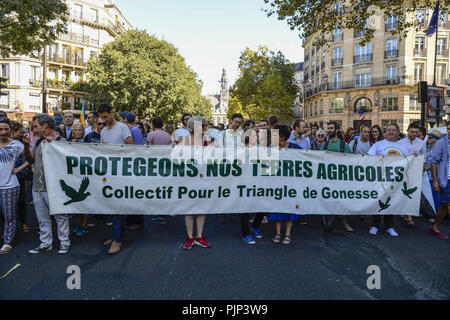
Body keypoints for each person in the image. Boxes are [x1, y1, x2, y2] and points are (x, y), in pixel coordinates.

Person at [23, 114, 70, 254]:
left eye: (36, 126)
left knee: (60, 216)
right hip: (38, 186)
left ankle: (64, 243)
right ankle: (45, 243)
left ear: (45, 125)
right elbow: (31, 159)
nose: (34, 129)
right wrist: (26, 146)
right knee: (42, 218)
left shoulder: (62, 141)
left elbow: (66, 160)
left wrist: (52, 144)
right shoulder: (38, 142)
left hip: (55, 187)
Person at [98, 103, 134, 254]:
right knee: (113, 205)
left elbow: (132, 148)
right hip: (109, 173)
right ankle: (118, 235)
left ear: (112, 113)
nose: (103, 120)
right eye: (101, 117)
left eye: (106, 116)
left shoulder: (123, 127)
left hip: (121, 172)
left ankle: (117, 239)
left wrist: (113, 150)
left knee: (117, 206)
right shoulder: (103, 132)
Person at [367, 123, 410, 237]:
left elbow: (409, 162)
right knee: (378, 202)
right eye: (389, 130)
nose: (391, 132)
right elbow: (369, 158)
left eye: (393, 130)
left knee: (391, 203)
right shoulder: (378, 145)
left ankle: (389, 226)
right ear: (386, 132)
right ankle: (374, 225)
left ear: (398, 132)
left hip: (394, 181)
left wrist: (415, 157)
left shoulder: (403, 147)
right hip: (379, 179)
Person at [178, 116, 211, 250]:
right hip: (188, 179)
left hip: (203, 179)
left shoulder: (206, 141)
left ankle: (199, 236)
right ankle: (190, 237)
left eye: (204, 126)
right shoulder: (184, 140)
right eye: (201, 126)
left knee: (202, 208)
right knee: (189, 210)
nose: (203, 128)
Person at [268, 124, 301, 245]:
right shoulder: (270, 148)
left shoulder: (295, 148)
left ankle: (288, 234)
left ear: (282, 137)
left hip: (291, 185)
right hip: (276, 184)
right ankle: (278, 233)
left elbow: (309, 157)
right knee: (277, 208)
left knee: (290, 209)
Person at [0, 117, 29, 254]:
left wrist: (18, 169)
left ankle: (7, 242)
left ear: (10, 130)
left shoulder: (17, 144)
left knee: (9, 216)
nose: (4, 132)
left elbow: (30, 158)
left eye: (6, 129)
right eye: (1, 129)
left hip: (10, 185)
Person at [321, 121, 354, 232]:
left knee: (342, 200)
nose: (329, 130)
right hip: (328, 179)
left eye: (331, 128)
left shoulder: (343, 145)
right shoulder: (324, 145)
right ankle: (328, 218)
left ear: (336, 130)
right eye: (328, 128)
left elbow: (350, 161)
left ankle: (344, 221)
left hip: (340, 179)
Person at [217, 113, 244, 224]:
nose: (237, 124)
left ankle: (234, 213)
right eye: (236, 121)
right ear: (231, 121)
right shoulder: (223, 134)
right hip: (225, 165)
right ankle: (223, 213)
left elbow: (244, 148)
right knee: (223, 189)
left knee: (236, 190)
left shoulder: (242, 134)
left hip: (238, 165)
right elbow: (219, 148)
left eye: (239, 122)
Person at [146, 116, 172, 224]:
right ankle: (163, 211)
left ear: (152, 124)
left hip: (153, 164)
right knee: (163, 188)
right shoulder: (167, 135)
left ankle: (155, 213)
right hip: (164, 163)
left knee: (154, 188)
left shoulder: (150, 135)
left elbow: (148, 149)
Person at [430, 121, 450, 239]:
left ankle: (435, 226)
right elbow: (433, 162)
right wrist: (435, 181)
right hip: (445, 179)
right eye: (448, 129)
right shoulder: (441, 143)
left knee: (443, 206)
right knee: (448, 203)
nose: (449, 131)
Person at [11, 121, 32, 233]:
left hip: (20, 176)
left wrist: (19, 169)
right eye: (19, 131)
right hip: (5, 177)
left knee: (21, 201)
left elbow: (29, 159)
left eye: (18, 132)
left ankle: (24, 223)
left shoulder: (22, 143)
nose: (18, 134)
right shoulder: (4, 142)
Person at [424, 130, 443, 219]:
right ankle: (428, 213)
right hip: (427, 175)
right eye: (428, 137)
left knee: (435, 196)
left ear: (436, 139)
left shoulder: (438, 148)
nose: (428, 139)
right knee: (428, 195)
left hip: (434, 175)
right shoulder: (428, 147)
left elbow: (436, 162)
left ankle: (437, 216)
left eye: (430, 138)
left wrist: (428, 167)